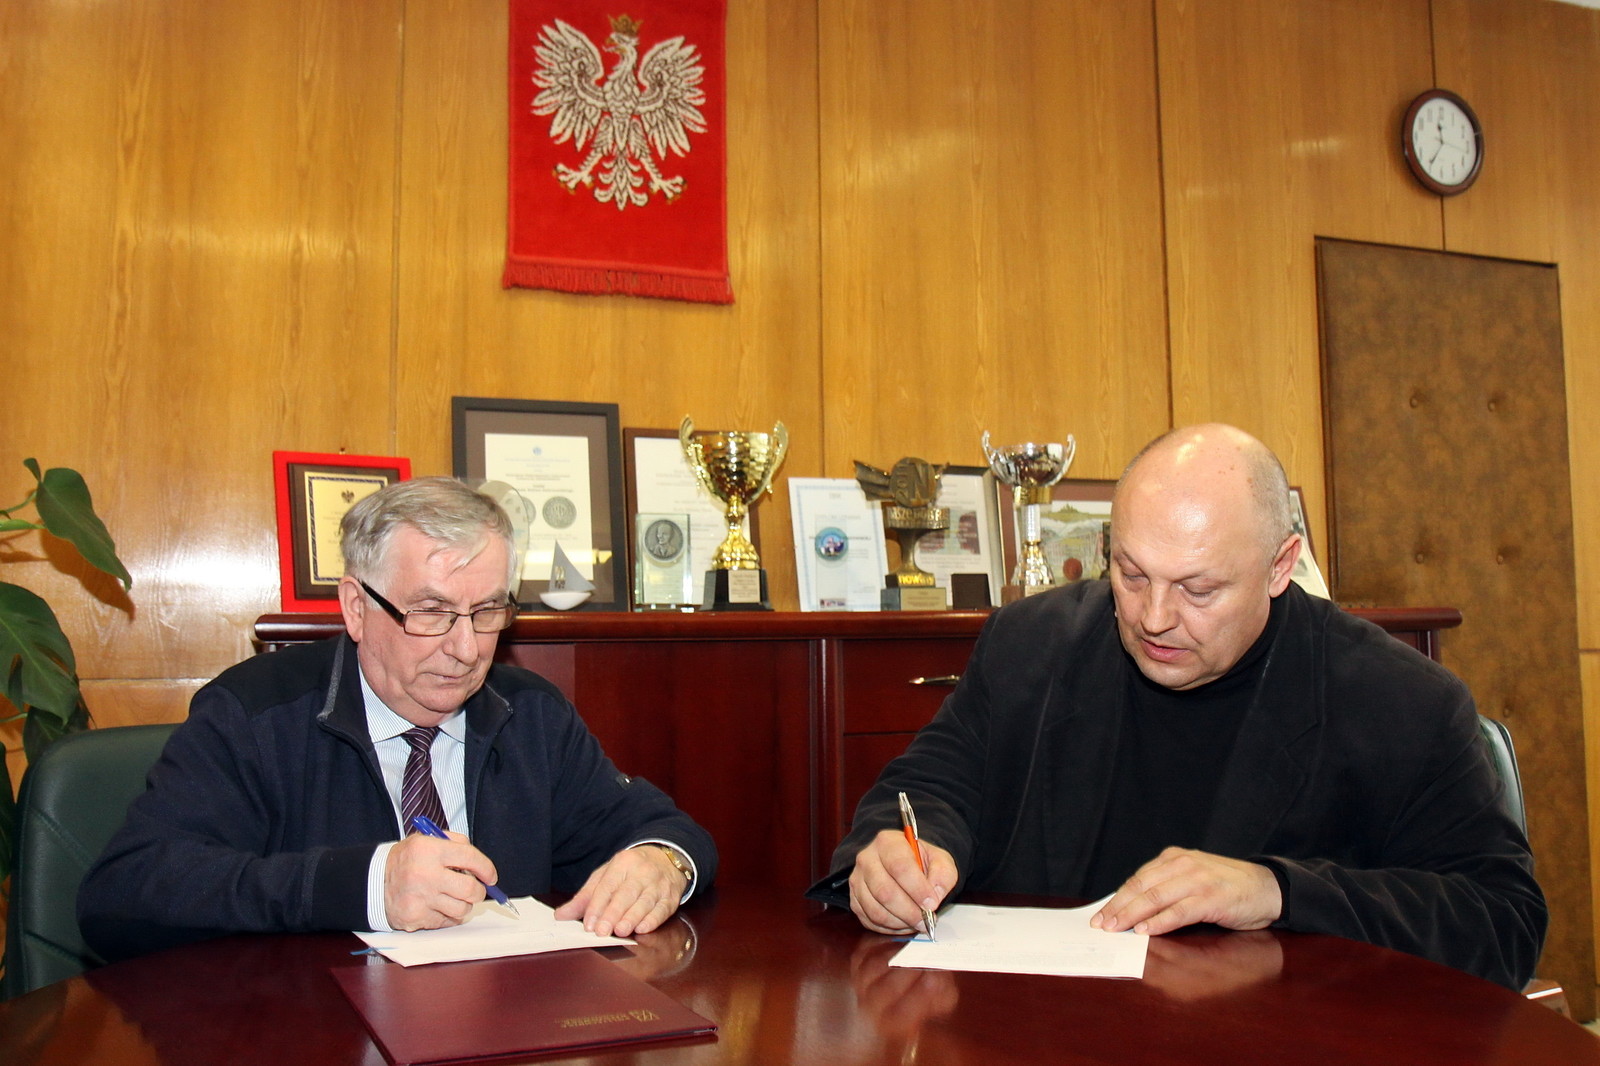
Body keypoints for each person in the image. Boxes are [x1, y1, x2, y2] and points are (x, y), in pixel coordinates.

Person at [809, 424, 1546, 991]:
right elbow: (930, 789)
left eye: (1199, 589)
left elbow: (1502, 921)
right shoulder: (1033, 643)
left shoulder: (1400, 701)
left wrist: (1278, 890)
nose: (1154, 618)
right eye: (1130, 574)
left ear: (1280, 566)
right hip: (1044, 1032)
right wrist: (902, 857)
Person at [79, 477, 715, 962]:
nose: (465, 649)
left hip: (502, 1028)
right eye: (431, 612)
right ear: (356, 608)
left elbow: (666, 828)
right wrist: (366, 885)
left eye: (487, 612)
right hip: (315, 1032)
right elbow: (123, 895)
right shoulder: (255, 715)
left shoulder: (530, 714)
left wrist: (663, 862)